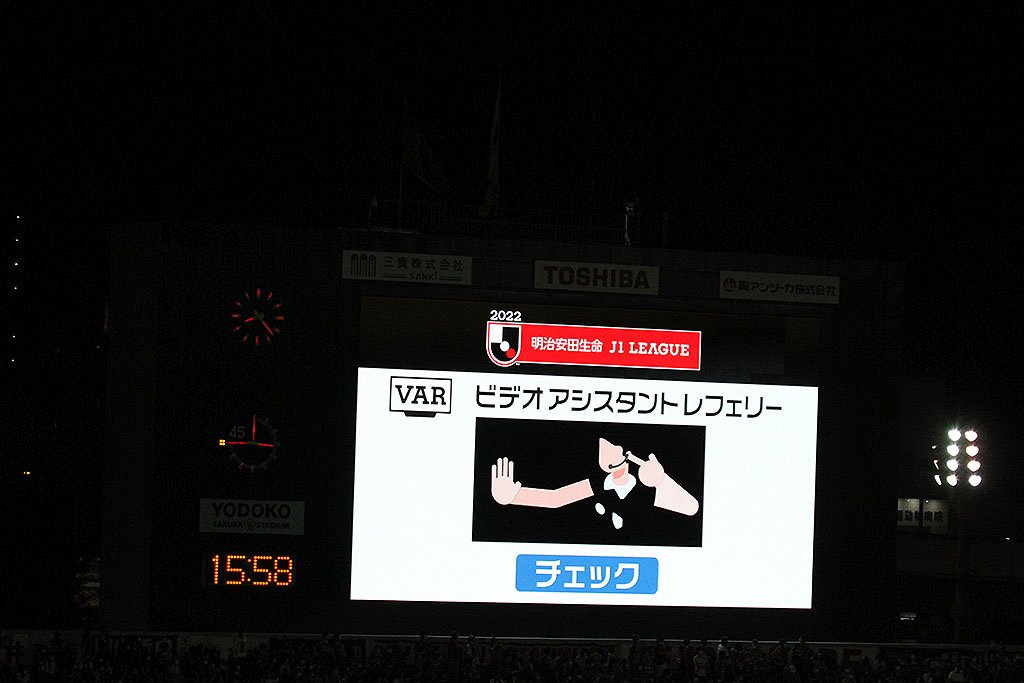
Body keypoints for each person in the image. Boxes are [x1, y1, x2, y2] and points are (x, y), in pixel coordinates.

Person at [489, 437, 698, 531]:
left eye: (615, 448)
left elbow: (691, 508)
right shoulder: (596, 484)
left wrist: (663, 481)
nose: (613, 451)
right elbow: (555, 498)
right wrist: (514, 497)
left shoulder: (647, 484)